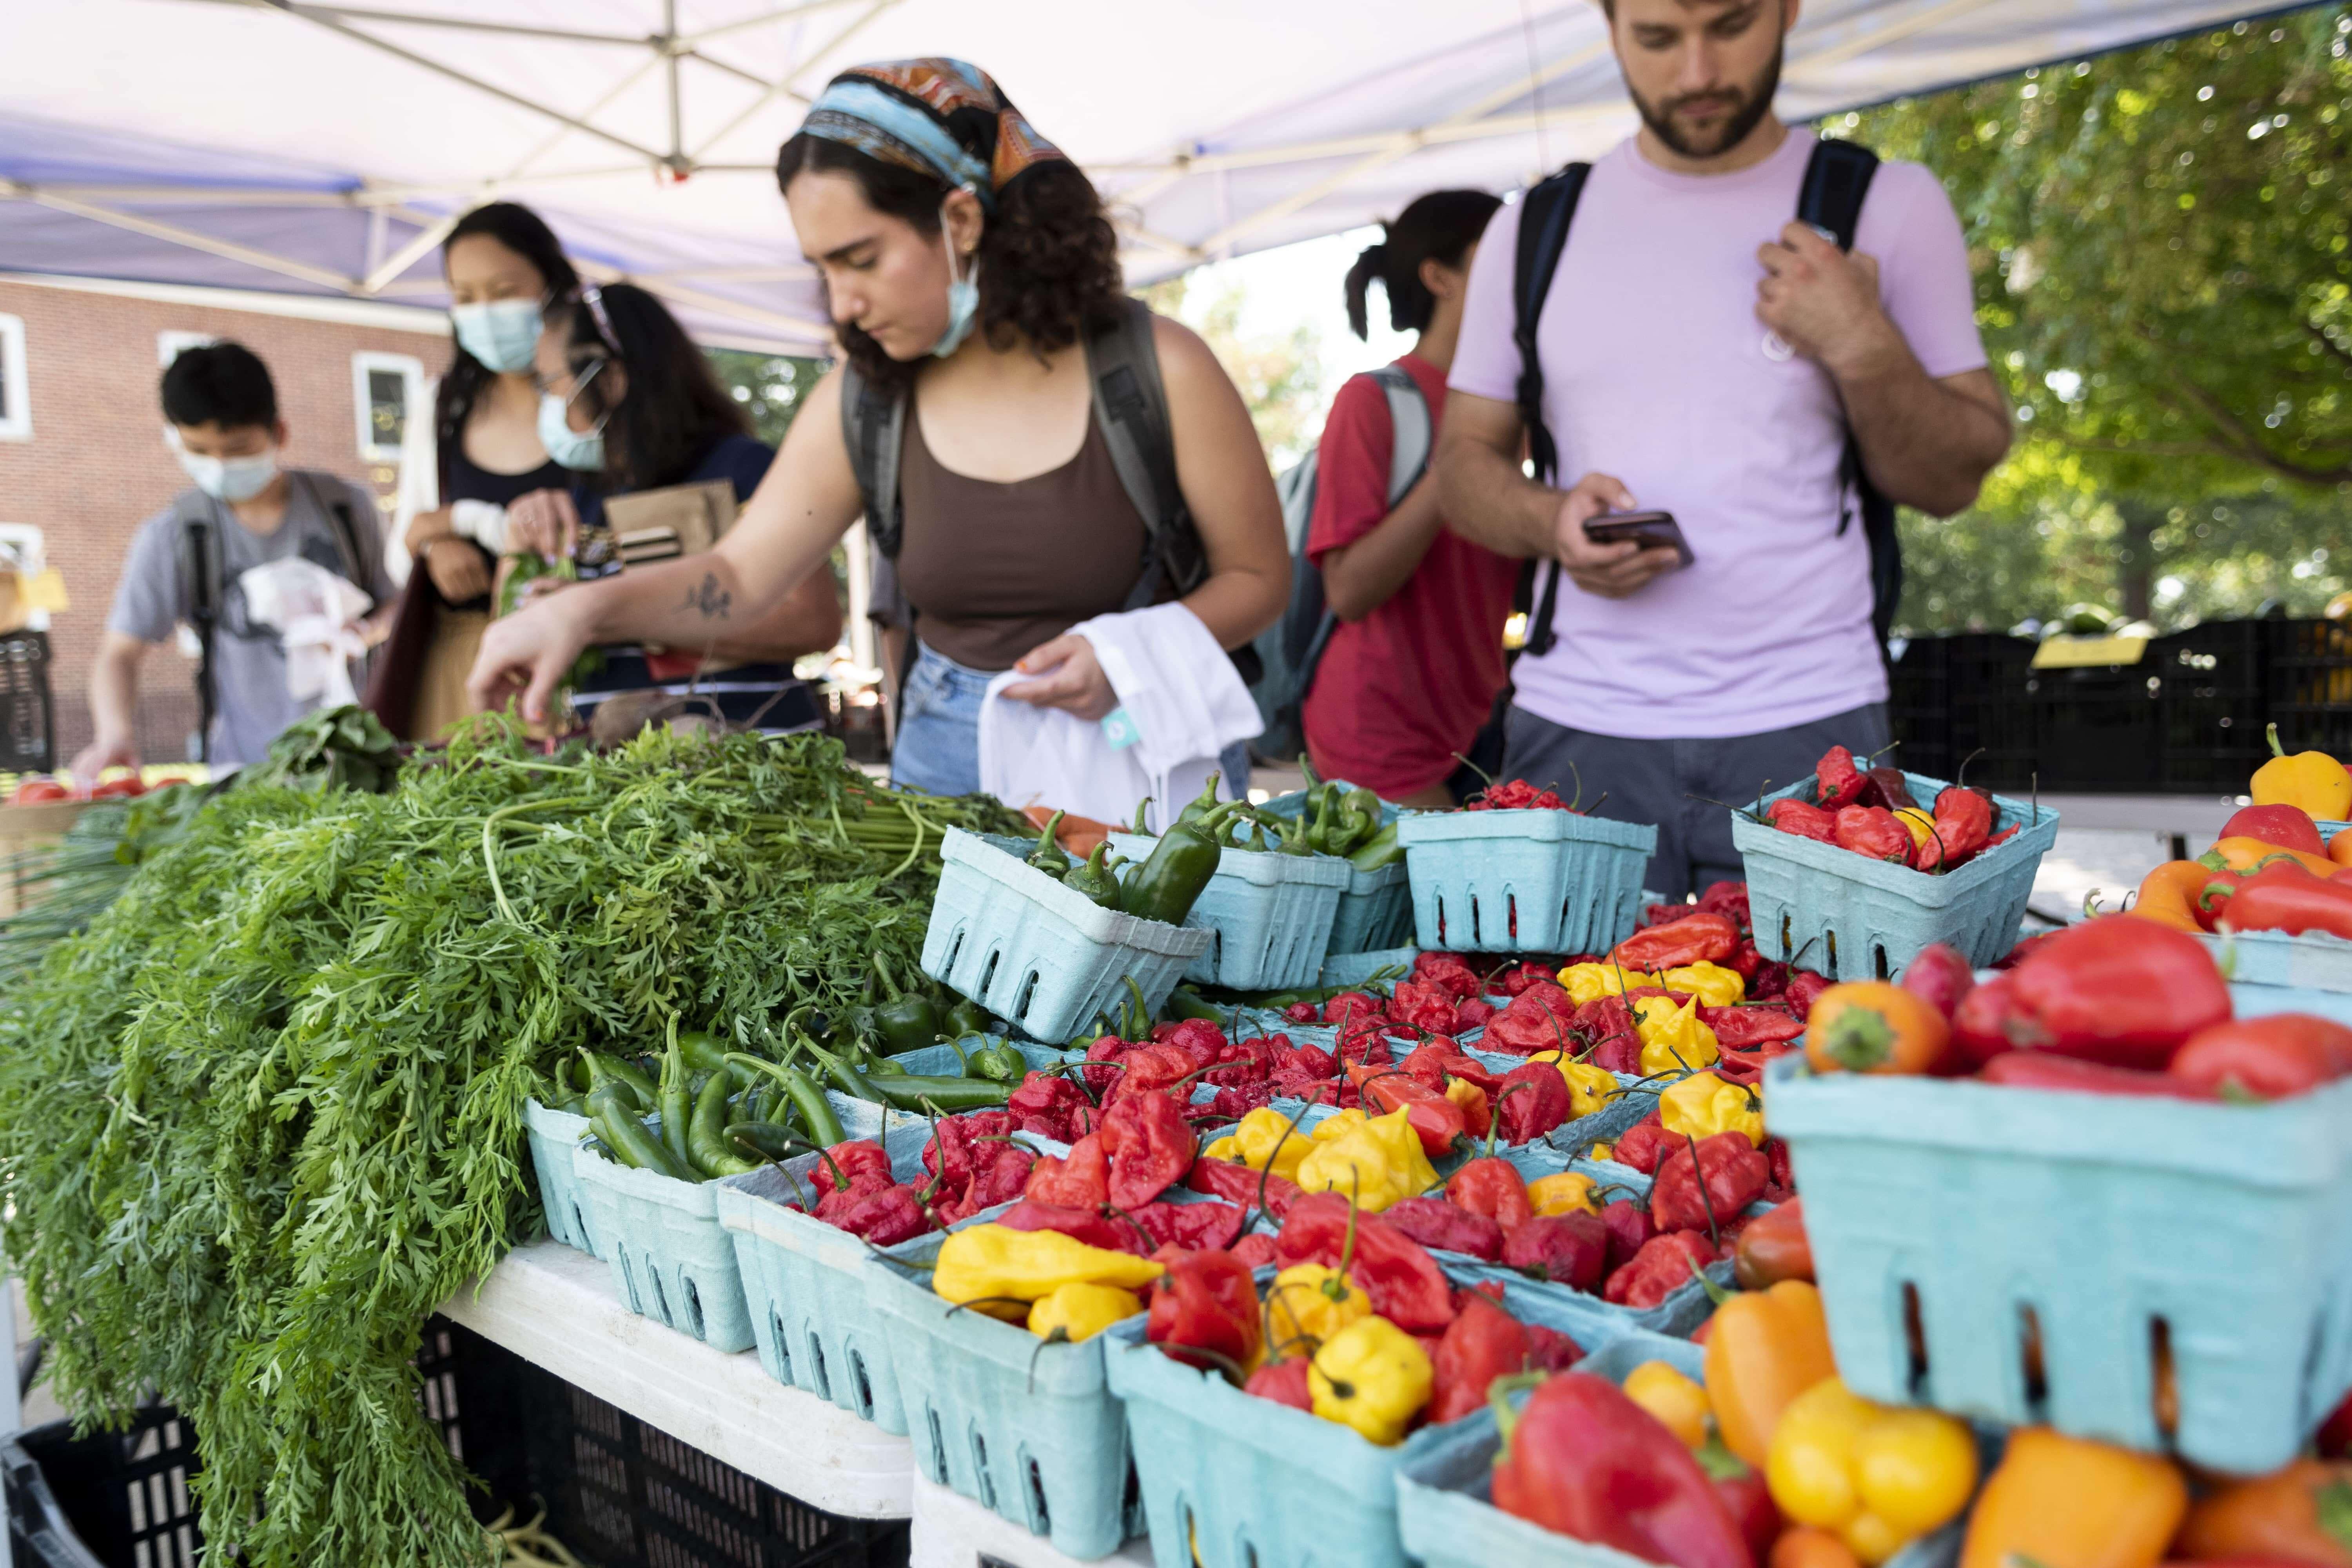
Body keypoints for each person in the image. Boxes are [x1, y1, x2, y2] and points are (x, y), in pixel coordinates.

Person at [467, 58, 1287, 799]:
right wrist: (579, 611)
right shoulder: (861, 399)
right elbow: (741, 576)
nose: (840, 304)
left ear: (960, 223)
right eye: (820, 268)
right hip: (949, 769)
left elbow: (1259, 579)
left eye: (860, 260)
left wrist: (1124, 654)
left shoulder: (1158, 366)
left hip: (1147, 747)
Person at [1434, 0, 2012, 896]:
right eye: (1659, 38)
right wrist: (1551, 520)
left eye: (1730, 25)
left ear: (1786, 9)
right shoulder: (1534, 227)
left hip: (1811, 727)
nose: (1697, 71)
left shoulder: (1884, 204)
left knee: (1828, 1032)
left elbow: (1952, 477)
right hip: (1578, 726)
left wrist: (1862, 343)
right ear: (1610, 22)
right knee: (1556, 1034)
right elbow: (1462, 467)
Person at [501, 280, 842, 733]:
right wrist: (518, 548)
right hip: (623, 774)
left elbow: (813, 623)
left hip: (753, 760)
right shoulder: (584, 496)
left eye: (549, 383)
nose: (545, 403)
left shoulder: (741, 468)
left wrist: (604, 615)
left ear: (610, 379)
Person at [76, 342, 397, 774]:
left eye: (238, 448)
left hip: (359, 757)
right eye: (200, 450)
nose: (220, 464)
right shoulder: (174, 536)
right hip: (244, 770)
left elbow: (396, 605)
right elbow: (119, 653)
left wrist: (366, 632)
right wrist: (114, 735)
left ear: (278, 433)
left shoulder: (346, 508)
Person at [1302, 189, 1512, 809]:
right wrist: (1456, 469)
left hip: (1475, 726)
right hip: (1377, 730)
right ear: (1439, 276)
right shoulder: (1372, 402)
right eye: (1498, 254)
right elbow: (1349, 590)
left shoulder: (1518, 408)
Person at [400, 202, 580, 604]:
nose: (484, 313)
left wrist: (454, 521)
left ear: (553, 286)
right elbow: (402, 549)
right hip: (473, 655)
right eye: (464, 297)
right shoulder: (439, 405)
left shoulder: (598, 399)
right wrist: (436, 545)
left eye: (504, 293)